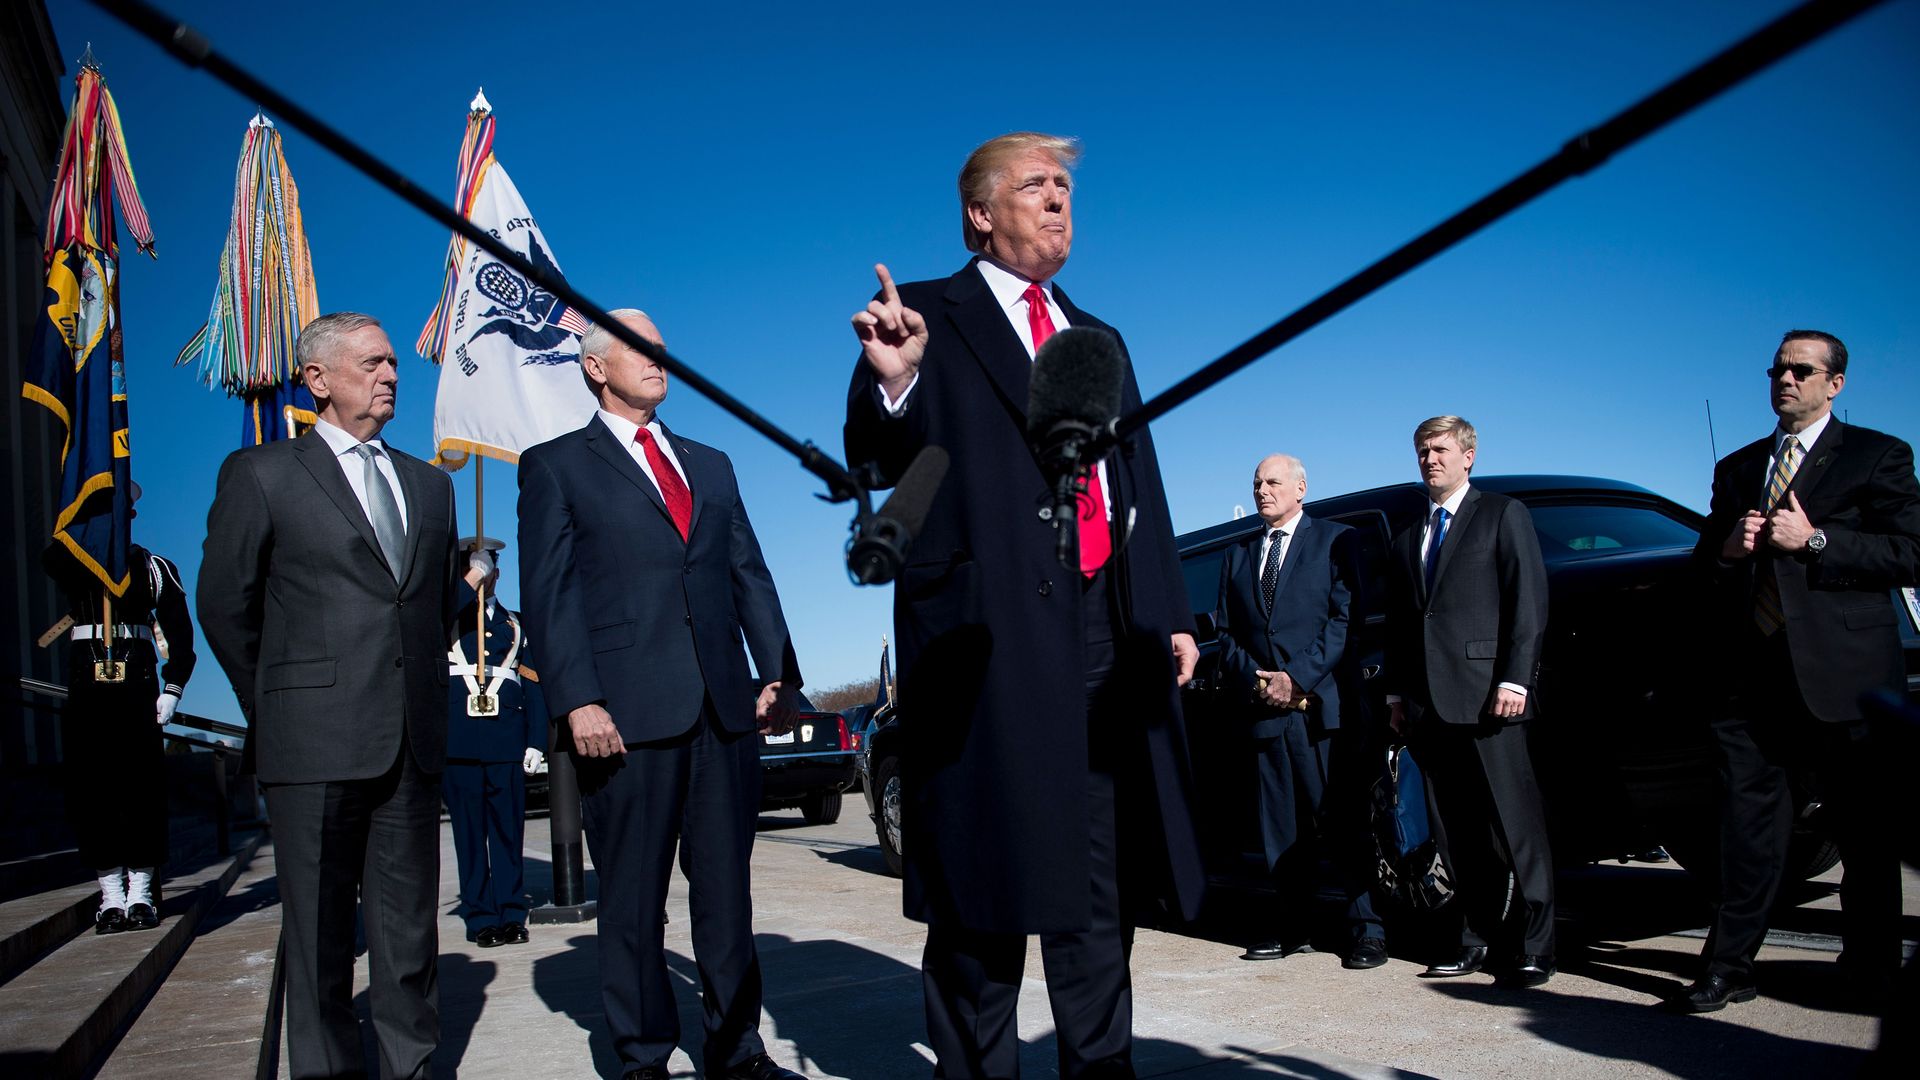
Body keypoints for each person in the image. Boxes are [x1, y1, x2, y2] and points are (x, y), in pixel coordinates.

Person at [844, 131, 1203, 1079]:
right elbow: (878, 466)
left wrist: (1167, 613)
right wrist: (896, 384)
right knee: (982, 892)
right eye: (1035, 185)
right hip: (982, 644)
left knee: (1098, 891)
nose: (1057, 200)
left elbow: (1141, 487)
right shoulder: (920, 315)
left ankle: (1100, 1066)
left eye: (1065, 187)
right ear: (979, 212)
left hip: (1100, 636)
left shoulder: (1100, 339)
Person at [518, 309, 805, 1080]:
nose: (658, 359)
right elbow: (549, 596)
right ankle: (643, 1054)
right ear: (596, 368)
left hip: (723, 711)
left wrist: (777, 669)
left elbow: (749, 570)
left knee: (727, 897)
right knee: (636, 900)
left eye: (663, 349)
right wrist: (577, 699)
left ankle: (735, 1049)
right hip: (625, 715)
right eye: (638, 349)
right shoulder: (555, 466)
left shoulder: (710, 464)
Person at [199, 312, 468, 1080]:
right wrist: (282, 704)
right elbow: (225, 604)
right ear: (317, 380)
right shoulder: (263, 473)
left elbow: (436, 601)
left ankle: (410, 1069)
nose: (390, 375)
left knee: (409, 934)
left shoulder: (430, 485)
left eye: (393, 364)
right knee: (318, 936)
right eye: (372, 363)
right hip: (311, 743)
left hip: (410, 743)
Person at [1675, 330, 1920, 1013]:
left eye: (1801, 370)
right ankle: (1727, 968)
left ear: (1834, 382)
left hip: (1847, 681)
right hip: (1750, 681)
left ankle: (1868, 972)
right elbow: (1701, 573)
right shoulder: (1738, 467)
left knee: (1865, 838)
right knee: (1744, 834)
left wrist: (1815, 540)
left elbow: (1912, 551)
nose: (1785, 379)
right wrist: (1726, 549)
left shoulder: (1876, 455)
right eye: (1777, 369)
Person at [1384, 416, 1554, 988]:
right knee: (1454, 831)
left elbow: (1526, 602)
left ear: (1468, 456)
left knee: (1515, 826)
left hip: (1491, 699)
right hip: (1430, 706)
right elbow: (1408, 624)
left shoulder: (1502, 514)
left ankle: (1536, 944)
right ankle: (1474, 937)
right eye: (1422, 451)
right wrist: (1400, 694)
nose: (1429, 459)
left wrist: (1515, 680)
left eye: (1440, 449)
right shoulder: (1409, 536)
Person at [1214, 454, 1385, 970]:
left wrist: (1298, 677)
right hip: (1266, 711)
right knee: (1280, 829)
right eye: (1257, 483)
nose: (1263, 490)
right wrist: (1261, 681)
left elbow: (1344, 620)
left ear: (1301, 487)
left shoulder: (1336, 539)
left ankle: (1366, 930)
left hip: (1321, 707)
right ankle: (1294, 925)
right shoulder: (1238, 553)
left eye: (1273, 482)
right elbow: (1226, 632)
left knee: (1342, 821)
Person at [43, 483, 196, 934]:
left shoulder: (154, 568)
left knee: (141, 788)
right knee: (93, 789)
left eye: (120, 512)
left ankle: (141, 891)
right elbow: (51, 557)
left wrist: (174, 688)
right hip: (88, 683)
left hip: (137, 683)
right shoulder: (74, 562)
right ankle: (110, 893)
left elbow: (181, 636)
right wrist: (80, 523)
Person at [443, 537, 548, 948]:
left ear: (499, 574)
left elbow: (534, 686)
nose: (485, 577)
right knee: (469, 835)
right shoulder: (446, 618)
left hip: (507, 740)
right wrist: (469, 577)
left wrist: (536, 741)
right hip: (459, 743)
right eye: (476, 569)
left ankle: (510, 912)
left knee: (508, 832)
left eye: (488, 569)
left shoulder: (516, 625)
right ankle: (480, 916)